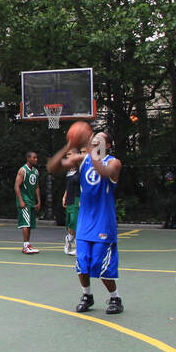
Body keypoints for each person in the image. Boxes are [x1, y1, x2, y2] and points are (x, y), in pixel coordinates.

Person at [50, 130, 122, 314]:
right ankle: (87, 296)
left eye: (99, 140)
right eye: (93, 139)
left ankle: (115, 298)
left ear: (108, 145)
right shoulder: (82, 160)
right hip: (85, 222)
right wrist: (68, 146)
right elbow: (53, 167)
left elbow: (103, 171)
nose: (94, 141)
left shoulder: (113, 162)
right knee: (82, 263)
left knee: (100, 265)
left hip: (103, 222)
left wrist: (91, 153)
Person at [15, 151, 41, 254]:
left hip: (31, 200)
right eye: (34, 158)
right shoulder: (22, 170)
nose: (36, 159)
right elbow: (16, 186)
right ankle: (26, 246)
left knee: (29, 224)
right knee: (25, 223)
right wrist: (21, 200)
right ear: (28, 159)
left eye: (36, 157)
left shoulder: (36, 171)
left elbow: (37, 187)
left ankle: (27, 245)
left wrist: (39, 201)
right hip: (24, 200)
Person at [62, 148, 81, 256]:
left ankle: (79, 248)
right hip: (69, 199)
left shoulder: (82, 169)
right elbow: (68, 186)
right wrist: (64, 196)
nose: (68, 156)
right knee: (70, 223)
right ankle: (68, 240)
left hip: (78, 199)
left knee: (76, 222)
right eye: (67, 154)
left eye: (70, 154)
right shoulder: (69, 171)